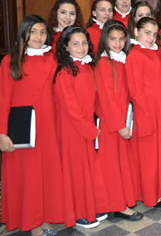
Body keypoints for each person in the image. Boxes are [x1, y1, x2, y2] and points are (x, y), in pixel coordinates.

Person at [0, 16, 64, 235]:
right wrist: (1, 134)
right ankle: (31, 223)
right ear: (23, 33)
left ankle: (43, 217)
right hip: (22, 128)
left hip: (49, 127)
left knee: (46, 175)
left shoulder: (52, 59)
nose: (38, 37)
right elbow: (2, 99)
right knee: (27, 177)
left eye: (42, 32)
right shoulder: (10, 61)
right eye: (33, 32)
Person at [54, 26, 108, 228]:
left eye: (84, 43)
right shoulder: (64, 71)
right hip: (72, 129)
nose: (81, 47)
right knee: (76, 172)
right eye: (75, 44)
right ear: (66, 47)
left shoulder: (87, 67)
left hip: (86, 125)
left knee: (89, 169)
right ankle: (78, 212)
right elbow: (70, 107)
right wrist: (89, 130)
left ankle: (92, 205)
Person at [125, 17, 161, 206]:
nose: (150, 38)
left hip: (160, 111)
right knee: (148, 156)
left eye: (154, 34)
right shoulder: (134, 56)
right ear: (136, 32)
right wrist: (145, 114)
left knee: (160, 152)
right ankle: (150, 194)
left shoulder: (153, 53)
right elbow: (135, 90)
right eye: (147, 33)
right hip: (146, 112)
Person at [94, 20, 143, 221]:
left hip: (124, 119)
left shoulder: (123, 59)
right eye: (112, 39)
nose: (117, 43)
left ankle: (121, 200)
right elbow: (106, 99)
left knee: (122, 163)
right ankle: (117, 204)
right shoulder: (104, 63)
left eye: (121, 39)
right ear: (105, 39)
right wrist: (120, 125)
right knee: (112, 165)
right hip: (111, 123)